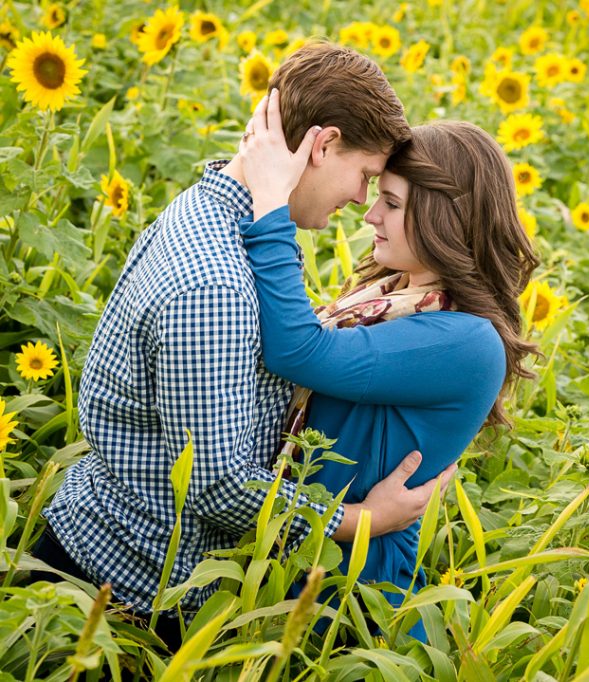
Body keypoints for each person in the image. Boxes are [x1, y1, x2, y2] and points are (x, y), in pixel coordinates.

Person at [33, 43, 453, 651]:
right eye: (364, 176)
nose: (362, 201)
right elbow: (216, 481)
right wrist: (364, 522)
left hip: (118, 553)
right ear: (322, 144)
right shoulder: (215, 283)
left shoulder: (213, 215)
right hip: (126, 589)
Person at [235, 91, 538, 640]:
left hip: (356, 608)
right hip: (303, 569)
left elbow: (298, 351)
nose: (370, 214)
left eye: (392, 204)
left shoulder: (465, 342)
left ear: (448, 218)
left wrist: (271, 204)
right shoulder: (390, 295)